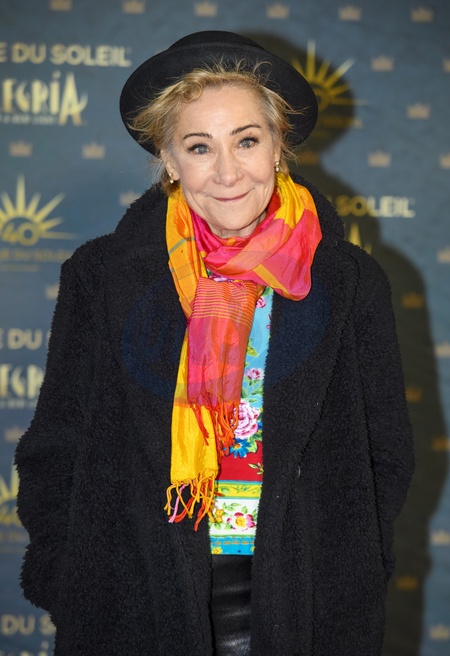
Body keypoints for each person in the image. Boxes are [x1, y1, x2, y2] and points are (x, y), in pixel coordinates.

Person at [15, 31, 414, 656]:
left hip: (305, 600)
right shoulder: (101, 277)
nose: (227, 173)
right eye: (199, 146)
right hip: (137, 599)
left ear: (278, 146)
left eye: (246, 141)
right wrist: (72, 583)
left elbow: (385, 453)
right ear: (170, 160)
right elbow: (55, 448)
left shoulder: (350, 281)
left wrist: (352, 575)